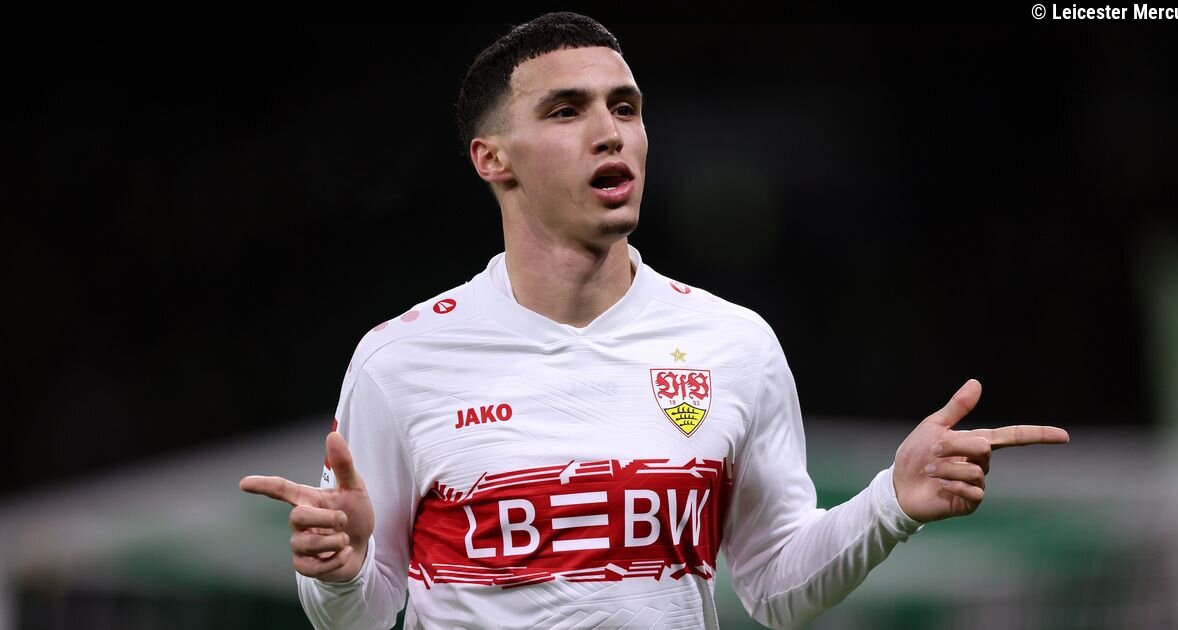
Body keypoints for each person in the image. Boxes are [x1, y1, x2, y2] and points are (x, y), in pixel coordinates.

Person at [240, 14, 1070, 630]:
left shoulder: (734, 344)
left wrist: (892, 502)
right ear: (493, 159)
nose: (611, 133)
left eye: (626, 107)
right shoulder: (403, 359)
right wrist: (338, 573)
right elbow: (361, 613)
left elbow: (776, 587)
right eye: (566, 111)